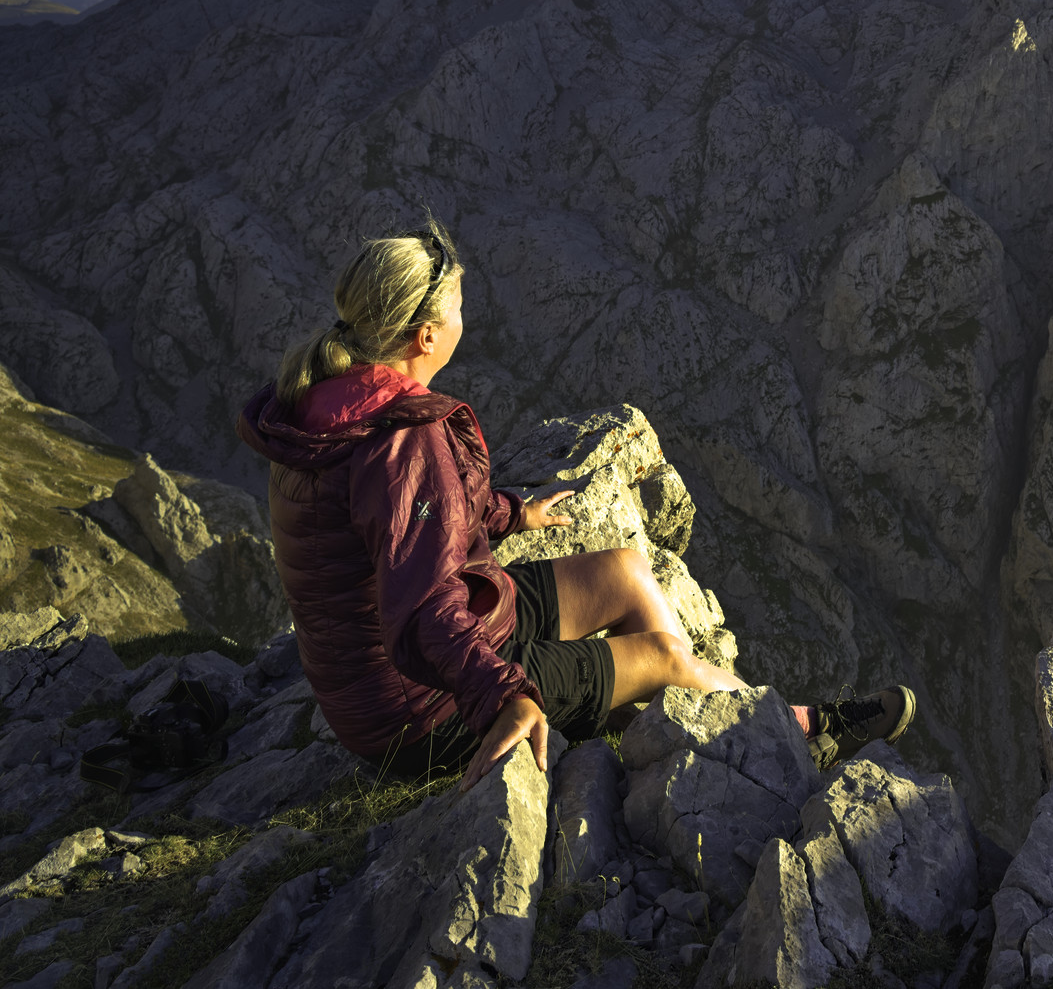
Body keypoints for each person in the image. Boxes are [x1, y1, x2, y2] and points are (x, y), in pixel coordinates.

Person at [237, 220, 913, 790]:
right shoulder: (402, 438)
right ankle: (800, 731)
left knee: (625, 570)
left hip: (401, 668)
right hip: (418, 710)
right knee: (664, 656)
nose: (467, 318)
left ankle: (684, 713)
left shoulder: (337, 399)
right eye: (459, 308)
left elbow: (406, 524)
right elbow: (423, 611)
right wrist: (506, 698)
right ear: (426, 338)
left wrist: (508, 514)